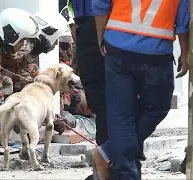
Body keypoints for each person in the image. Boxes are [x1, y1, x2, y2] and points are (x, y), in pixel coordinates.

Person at [92, 0, 189, 179]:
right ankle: (107, 153)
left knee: (121, 119)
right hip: (157, 54)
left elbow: (100, 5)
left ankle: (109, 152)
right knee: (157, 108)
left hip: (118, 47)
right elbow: (183, 21)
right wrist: (184, 51)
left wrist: (100, 36)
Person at [0, 9, 72, 150]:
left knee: (26, 79)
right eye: (21, 41)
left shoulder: (1, 48)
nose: (22, 45)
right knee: (7, 83)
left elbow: (15, 65)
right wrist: (2, 126)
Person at [64, 0, 108, 179]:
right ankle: (104, 167)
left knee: (112, 103)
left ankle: (112, 165)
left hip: (105, 26)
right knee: (98, 104)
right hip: (83, 28)